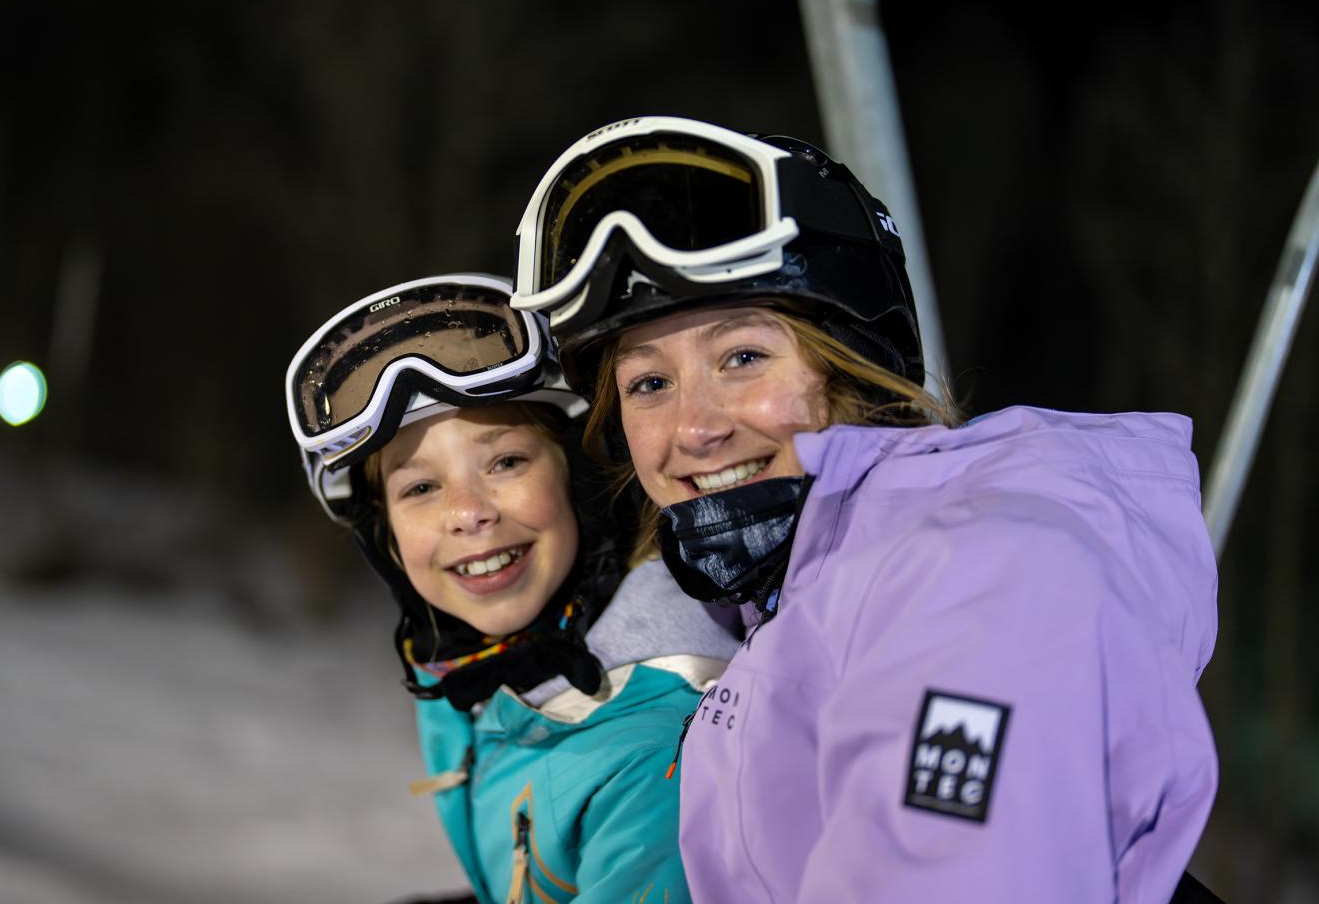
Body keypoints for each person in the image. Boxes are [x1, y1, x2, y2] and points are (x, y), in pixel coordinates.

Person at [509, 117, 1220, 903]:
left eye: (742, 357)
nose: (694, 428)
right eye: (649, 384)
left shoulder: (986, 574)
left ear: (857, 367)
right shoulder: (793, 604)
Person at [284, 272, 738, 904]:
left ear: (577, 479)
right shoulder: (485, 687)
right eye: (420, 488)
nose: (469, 512)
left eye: (505, 462)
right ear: (386, 540)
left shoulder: (654, 756)